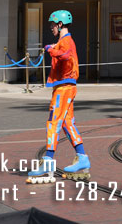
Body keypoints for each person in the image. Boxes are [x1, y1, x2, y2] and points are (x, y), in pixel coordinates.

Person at [26, 10, 89, 183]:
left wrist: (50, 50)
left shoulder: (66, 41)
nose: (51, 27)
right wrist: (54, 47)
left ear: (60, 24)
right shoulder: (63, 41)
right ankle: (82, 157)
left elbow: (66, 55)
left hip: (64, 87)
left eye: (53, 24)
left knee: (53, 122)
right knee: (68, 123)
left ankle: (47, 161)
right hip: (64, 86)